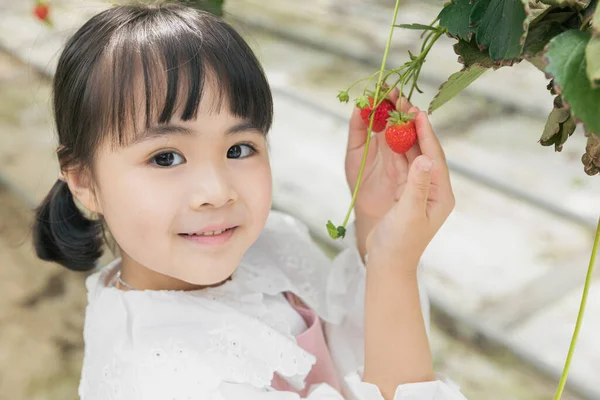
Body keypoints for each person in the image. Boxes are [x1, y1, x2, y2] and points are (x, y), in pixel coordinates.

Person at [32, 3, 463, 399]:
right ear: (84, 181)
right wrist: (393, 265)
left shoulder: (266, 247)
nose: (217, 191)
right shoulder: (171, 381)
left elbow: (361, 351)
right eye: (165, 157)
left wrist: (374, 224)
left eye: (239, 149)